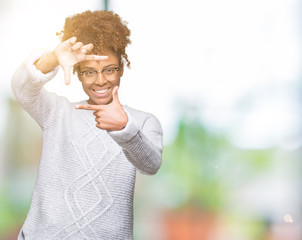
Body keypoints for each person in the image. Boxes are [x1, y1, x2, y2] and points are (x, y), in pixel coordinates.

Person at [11, 10, 163, 240]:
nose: (100, 80)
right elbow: (22, 88)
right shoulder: (57, 112)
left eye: (109, 70)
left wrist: (125, 128)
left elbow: (150, 165)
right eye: (90, 72)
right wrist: (52, 58)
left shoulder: (142, 122)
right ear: (78, 74)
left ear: (121, 68)